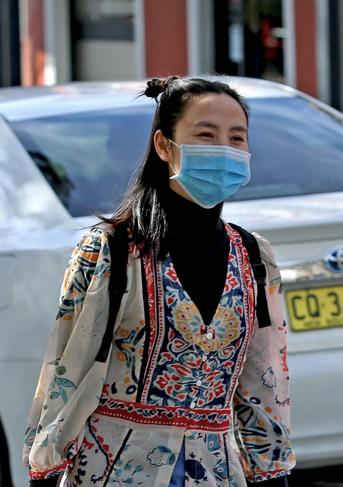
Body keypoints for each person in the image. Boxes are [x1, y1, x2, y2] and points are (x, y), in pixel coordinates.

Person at [23, 76, 295, 487]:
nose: (224, 148)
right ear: (164, 146)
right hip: (114, 470)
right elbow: (67, 372)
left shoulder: (253, 255)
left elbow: (264, 379)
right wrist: (46, 467)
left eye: (236, 138)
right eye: (206, 134)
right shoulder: (112, 250)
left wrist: (271, 470)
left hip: (218, 472)